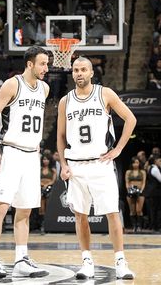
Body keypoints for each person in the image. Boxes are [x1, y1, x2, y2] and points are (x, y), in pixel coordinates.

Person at [57, 56, 136, 280]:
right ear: (72, 73)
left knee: (112, 212)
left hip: (101, 163)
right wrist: (63, 164)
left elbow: (130, 119)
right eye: (75, 70)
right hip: (76, 166)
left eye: (83, 69)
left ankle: (121, 261)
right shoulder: (65, 101)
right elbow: (61, 137)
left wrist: (119, 148)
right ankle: (86, 261)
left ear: (91, 73)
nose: (79, 73)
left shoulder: (105, 94)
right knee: (80, 216)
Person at [0, 46, 50, 279]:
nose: (46, 68)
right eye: (42, 63)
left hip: (32, 154)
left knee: (25, 210)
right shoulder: (12, 84)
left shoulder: (45, 88)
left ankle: (21, 258)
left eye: (47, 64)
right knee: (1, 206)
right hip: (10, 151)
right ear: (30, 64)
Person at [125, 156, 146, 233]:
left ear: (139, 163)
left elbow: (144, 182)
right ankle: (134, 226)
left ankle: (139, 226)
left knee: (139, 210)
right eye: (134, 163)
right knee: (132, 210)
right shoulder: (128, 172)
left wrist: (141, 190)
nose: (135, 164)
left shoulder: (142, 172)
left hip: (140, 191)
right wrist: (129, 190)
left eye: (137, 162)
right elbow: (127, 183)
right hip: (131, 191)